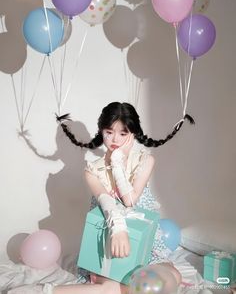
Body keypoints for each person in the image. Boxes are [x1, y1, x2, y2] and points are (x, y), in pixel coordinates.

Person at [49, 102, 194, 294]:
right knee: (131, 285)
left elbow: (130, 200)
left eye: (123, 133)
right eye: (109, 132)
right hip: (110, 245)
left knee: (174, 276)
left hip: (142, 244)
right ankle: (49, 290)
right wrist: (118, 229)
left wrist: (117, 163)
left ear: (133, 134)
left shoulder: (145, 160)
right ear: (101, 132)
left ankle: (107, 289)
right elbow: (106, 201)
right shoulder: (92, 170)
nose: (114, 139)